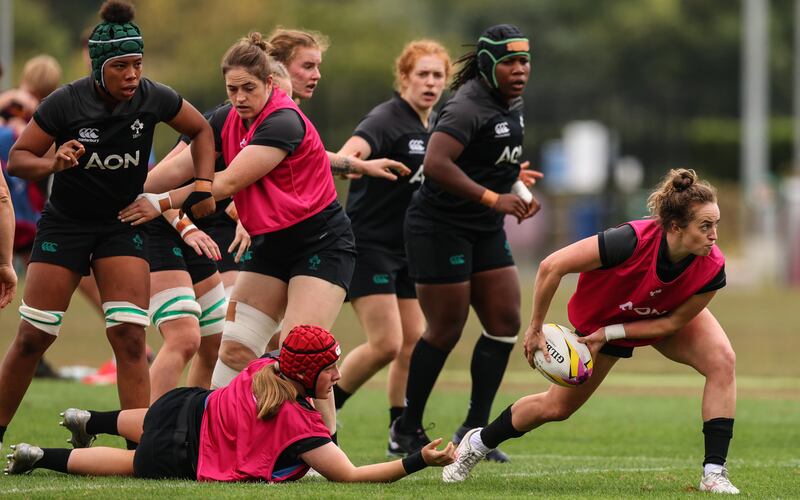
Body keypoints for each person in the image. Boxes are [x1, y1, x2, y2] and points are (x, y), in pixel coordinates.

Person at [0, 0, 217, 451]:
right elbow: (19, 160)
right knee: (33, 337)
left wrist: (202, 185)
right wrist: (53, 162)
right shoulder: (66, 102)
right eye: (121, 66)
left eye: (137, 64)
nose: (132, 75)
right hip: (66, 227)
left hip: (121, 227)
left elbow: (201, 130)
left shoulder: (154, 97)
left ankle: (140, 448)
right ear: (100, 67)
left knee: (129, 336)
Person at [441, 169, 739, 494]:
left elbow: (672, 324)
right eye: (705, 226)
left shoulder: (711, 266)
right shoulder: (629, 241)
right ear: (675, 227)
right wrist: (536, 327)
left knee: (723, 360)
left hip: (660, 315)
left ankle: (714, 473)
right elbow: (551, 266)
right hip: (601, 318)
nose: (714, 236)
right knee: (556, 408)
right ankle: (478, 442)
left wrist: (612, 334)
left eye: (716, 225)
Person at [118, 33, 357, 434]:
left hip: (322, 244)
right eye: (233, 89)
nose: (240, 97)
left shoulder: (284, 120)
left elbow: (225, 184)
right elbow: (161, 176)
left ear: (270, 84)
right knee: (233, 348)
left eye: (249, 88)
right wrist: (126, 191)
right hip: (270, 247)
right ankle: (216, 438)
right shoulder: (223, 119)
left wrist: (160, 204)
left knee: (301, 356)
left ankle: (324, 451)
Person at [4, 325, 455, 482]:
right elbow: (352, 474)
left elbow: (288, 355)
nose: (338, 376)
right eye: (330, 369)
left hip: (184, 405)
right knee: (126, 464)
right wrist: (418, 461)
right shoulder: (300, 426)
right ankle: (42, 456)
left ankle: (92, 418)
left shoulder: (265, 368)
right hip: (182, 452)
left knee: (150, 422)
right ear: (305, 373)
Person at [390, 24, 540, 463]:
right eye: (510, 62)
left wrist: (516, 185)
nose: (520, 70)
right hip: (439, 226)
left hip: (484, 226)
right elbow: (436, 164)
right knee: (446, 328)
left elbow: (491, 159)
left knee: (506, 320)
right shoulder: (466, 106)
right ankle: (406, 428)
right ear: (489, 64)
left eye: (525, 61)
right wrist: (496, 198)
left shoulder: (511, 102)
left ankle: (476, 431)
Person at [331, 40, 451, 454]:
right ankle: (322, 411)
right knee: (386, 343)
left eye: (438, 75)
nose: (431, 83)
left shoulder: (432, 124)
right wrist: (357, 163)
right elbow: (348, 155)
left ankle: (400, 430)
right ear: (404, 78)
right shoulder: (386, 119)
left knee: (414, 339)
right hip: (368, 244)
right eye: (423, 74)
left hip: (407, 249)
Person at [267, 27, 410, 181]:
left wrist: (352, 165)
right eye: (308, 66)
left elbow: (309, 157)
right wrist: (359, 166)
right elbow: (312, 157)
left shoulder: (285, 109)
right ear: (279, 67)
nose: (317, 75)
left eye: (318, 67)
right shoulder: (272, 110)